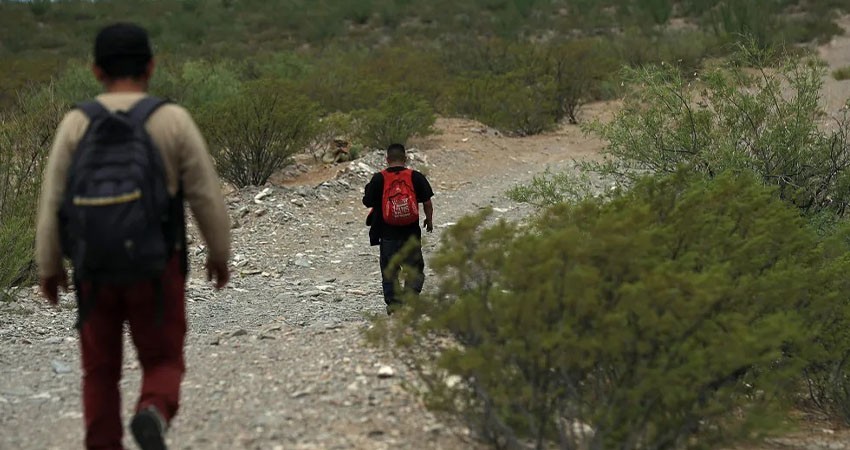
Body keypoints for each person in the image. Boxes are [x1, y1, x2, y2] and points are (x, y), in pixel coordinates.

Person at [35, 23, 231, 450]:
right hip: (155, 268)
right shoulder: (171, 119)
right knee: (162, 359)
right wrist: (219, 254)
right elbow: (205, 195)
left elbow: (52, 201)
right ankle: (153, 411)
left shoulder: (75, 124)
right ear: (151, 67)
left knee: (99, 372)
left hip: (94, 270)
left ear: (95, 71)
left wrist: (49, 268)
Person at [363, 143, 434, 314]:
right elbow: (427, 203)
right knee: (414, 268)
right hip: (411, 234)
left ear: (387, 159)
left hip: (388, 234)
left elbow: (367, 202)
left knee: (390, 270)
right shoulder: (416, 177)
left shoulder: (379, 178)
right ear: (406, 158)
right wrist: (429, 221)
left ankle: (394, 305)